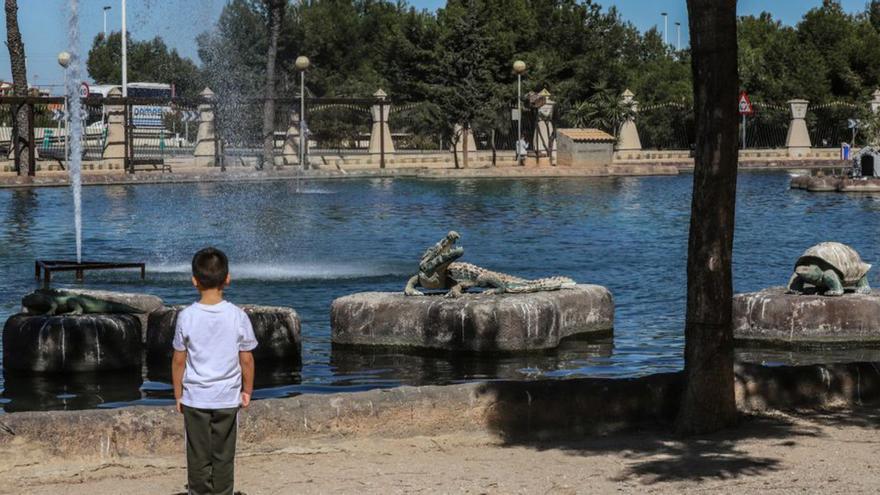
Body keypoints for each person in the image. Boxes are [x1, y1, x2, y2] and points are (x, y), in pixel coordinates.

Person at [172, 247, 257, 495]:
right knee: (224, 454)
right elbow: (247, 359)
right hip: (227, 397)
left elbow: (179, 360)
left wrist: (178, 394)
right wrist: (247, 390)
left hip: (195, 397)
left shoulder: (186, 316)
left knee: (198, 455)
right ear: (227, 278)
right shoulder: (237, 316)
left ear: (194, 281)